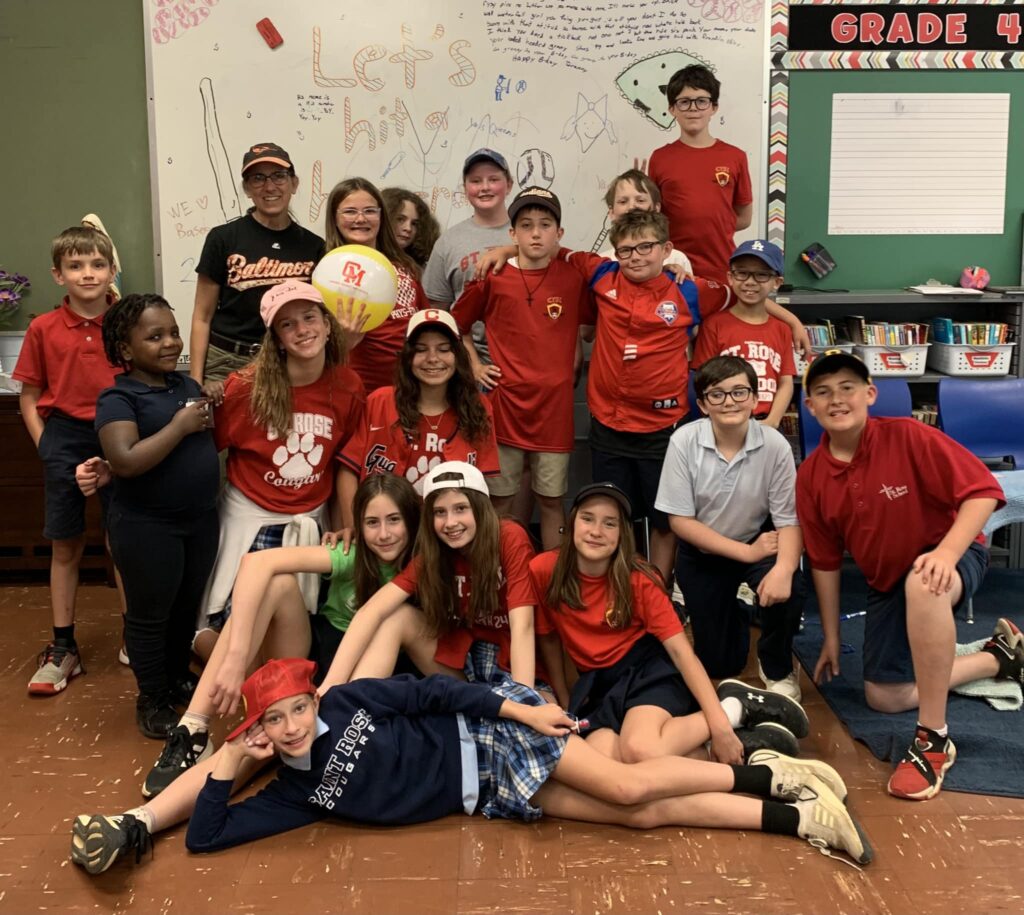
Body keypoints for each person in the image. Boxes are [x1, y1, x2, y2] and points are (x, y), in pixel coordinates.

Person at [70, 657, 873, 875]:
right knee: (640, 812)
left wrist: (521, 708)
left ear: (313, 698)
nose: (288, 726)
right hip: (484, 795)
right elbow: (208, 838)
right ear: (259, 732)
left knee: (628, 780)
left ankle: (772, 774)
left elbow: (434, 691)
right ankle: (792, 806)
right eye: (272, 721)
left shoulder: (349, 700)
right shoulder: (293, 789)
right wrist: (225, 761)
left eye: (294, 708)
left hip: (488, 737)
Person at [796, 350, 1022, 800]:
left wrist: (946, 551)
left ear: (870, 394)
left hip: (953, 558)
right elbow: (823, 561)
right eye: (823, 391)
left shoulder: (909, 435)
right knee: (885, 697)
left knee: (924, 581)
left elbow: (982, 493)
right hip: (886, 583)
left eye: (848, 388)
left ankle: (933, 739)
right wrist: (832, 638)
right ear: (809, 407)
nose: (836, 399)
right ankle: (999, 658)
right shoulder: (811, 477)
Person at [138, 474, 419, 798]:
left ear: (412, 521)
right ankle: (193, 728)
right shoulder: (351, 555)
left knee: (271, 726)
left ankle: (205, 645)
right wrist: (233, 659)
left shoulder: (422, 564)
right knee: (276, 583)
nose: (383, 534)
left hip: (368, 666)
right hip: (318, 655)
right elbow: (255, 563)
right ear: (357, 525)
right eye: (372, 522)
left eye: (394, 520)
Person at [531, 482, 808, 764]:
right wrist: (564, 698)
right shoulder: (543, 570)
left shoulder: (639, 580)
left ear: (622, 534)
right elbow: (548, 637)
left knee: (640, 750)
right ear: (571, 522)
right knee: (603, 760)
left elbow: (681, 653)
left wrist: (719, 724)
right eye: (587, 518)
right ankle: (742, 750)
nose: (595, 531)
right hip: (600, 684)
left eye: (609, 523)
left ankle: (735, 709)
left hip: (649, 671)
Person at [90, 294, 219, 738]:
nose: (170, 343)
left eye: (173, 333)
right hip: (147, 526)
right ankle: (152, 697)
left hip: (200, 520)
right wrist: (180, 426)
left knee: (186, 608)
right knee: (150, 615)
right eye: (155, 336)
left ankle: (176, 675)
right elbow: (124, 460)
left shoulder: (185, 386)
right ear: (126, 349)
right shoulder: (118, 397)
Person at [13, 225, 122, 695]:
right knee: (65, 543)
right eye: (76, 266)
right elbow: (30, 395)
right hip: (64, 438)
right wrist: (45, 446)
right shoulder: (42, 328)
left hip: (121, 434)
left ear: (112, 270)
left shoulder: (127, 320)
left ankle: (136, 636)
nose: (88, 273)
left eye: (97, 264)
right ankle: (63, 646)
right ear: (58, 274)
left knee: (124, 540)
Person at [320, 461, 542, 693]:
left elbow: (523, 626)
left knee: (546, 721)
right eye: (439, 512)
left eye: (460, 508)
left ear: (480, 507)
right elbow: (372, 610)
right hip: (463, 662)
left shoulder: (508, 536)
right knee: (398, 616)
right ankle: (352, 705)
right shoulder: (435, 552)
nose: (450, 523)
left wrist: (524, 698)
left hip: (512, 661)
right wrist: (329, 686)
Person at [657, 356, 806, 697]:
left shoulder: (774, 445)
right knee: (720, 665)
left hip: (758, 541)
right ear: (702, 405)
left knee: (790, 587)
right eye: (717, 394)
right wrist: (744, 553)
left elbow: (788, 521)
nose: (730, 402)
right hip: (703, 552)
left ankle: (777, 668)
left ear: (755, 399)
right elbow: (679, 520)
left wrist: (783, 569)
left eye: (740, 392)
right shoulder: (683, 441)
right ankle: (739, 605)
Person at [452, 187, 591, 549]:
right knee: (500, 501)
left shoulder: (574, 278)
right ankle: (496, 577)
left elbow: (590, 325)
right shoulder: (492, 275)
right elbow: (457, 326)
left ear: (559, 234)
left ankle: (552, 582)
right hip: (504, 407)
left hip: (554, 411)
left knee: (551, 500)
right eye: (525, 225)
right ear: (511, 233)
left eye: (545, 225)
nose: (535, 233)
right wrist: (476, 364)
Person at [190, 142, 324, 386]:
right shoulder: (223, 238)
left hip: (287, 361)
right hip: (226, 362)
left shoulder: (314, 246)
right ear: (246, 188)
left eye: (279, 176)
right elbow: (202, 315)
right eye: (258, 178)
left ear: (294, 183)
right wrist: (196, 380)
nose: (269, 186)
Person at [339, 309, 500, 495]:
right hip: (385, 520)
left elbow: (482, 486)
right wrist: (354, 524)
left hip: (446, 521)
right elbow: (348, 470)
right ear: (407, 356)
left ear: (458, 355)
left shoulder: (478, 406)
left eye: (444, 349)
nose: (432, 359)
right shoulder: (380, 401)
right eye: (421, 350)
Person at [648, 66, 752, 283]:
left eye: (701, 101)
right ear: (672, 109)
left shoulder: (735, 157)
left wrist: (713, 227)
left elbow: (744, 217)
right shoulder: (660, 158)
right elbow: (655, 219)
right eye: (684, 101)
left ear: (714, 107)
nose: (693, 108)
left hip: (721, 268)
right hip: (672, 269)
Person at [324, 177, 427, 393]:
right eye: (350, 211)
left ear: (382, 216)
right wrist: (345, 341)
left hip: (412, 384)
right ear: (335, 218)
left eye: (370, 211)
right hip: (360, 388)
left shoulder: (404, 266)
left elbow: (423, 318)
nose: (361, 219)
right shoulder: (327, 273)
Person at [422, 148, 515, 366]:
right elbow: (437, 312)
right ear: (465, 189)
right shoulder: (448, 242)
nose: (484, 187)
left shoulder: (529, 231)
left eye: (493, 179)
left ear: (508, 185)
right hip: (470, 365)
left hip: (525, 359)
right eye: (475, 181)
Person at [692, 241, 797, 429]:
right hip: (723, 422)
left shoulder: (782, 329)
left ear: (777, 282)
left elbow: (786, 382)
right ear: (730, 277)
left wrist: (773, 421)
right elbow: (703, 379)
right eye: (742, 273)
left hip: (767, 422)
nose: (750, 281)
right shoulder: (714, 325)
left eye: (761, 275)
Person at [381, 187, 441, 271]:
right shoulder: (366, 259)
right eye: (400, 219)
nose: (408, 228)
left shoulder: (422, 269)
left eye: (414, 223)